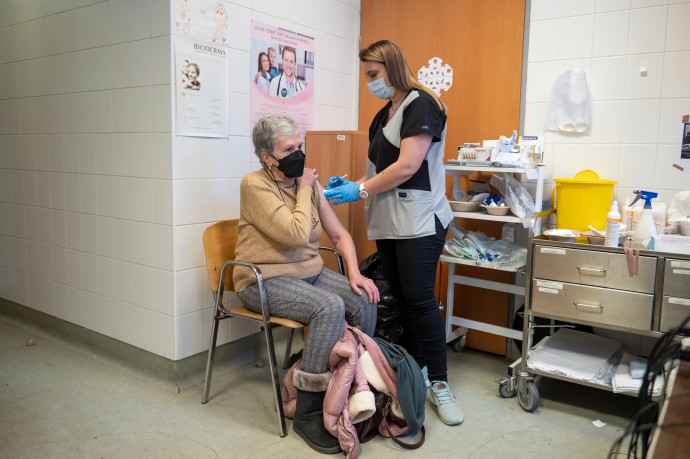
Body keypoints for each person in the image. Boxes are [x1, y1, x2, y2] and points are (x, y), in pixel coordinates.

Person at [324, 40, 463, 426]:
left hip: (420, 221)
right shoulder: (382, 116)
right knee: (400, 298)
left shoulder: (422, 104)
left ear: (393, 67)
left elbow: (407, 167)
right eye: (366, 76)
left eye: (374, 75)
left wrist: (360, 190)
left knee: (419, 298)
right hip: (389, 221)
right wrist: (350, 184)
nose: (370, 82)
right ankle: (416, 368)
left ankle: (440, 383)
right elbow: (374, 174)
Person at [234, 115, 379, 454]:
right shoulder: (255, 185)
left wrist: (355, 274)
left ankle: (356, 389)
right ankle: (307, 412)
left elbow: (339, 234)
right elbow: (296, 233)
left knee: (364, 298)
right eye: (288, 149)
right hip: (262, 279)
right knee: (328, 307)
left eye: (300, 146)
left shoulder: (308, 185)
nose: (298, 154)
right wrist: (303, 187)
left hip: (307, 273)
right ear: (267, 157)